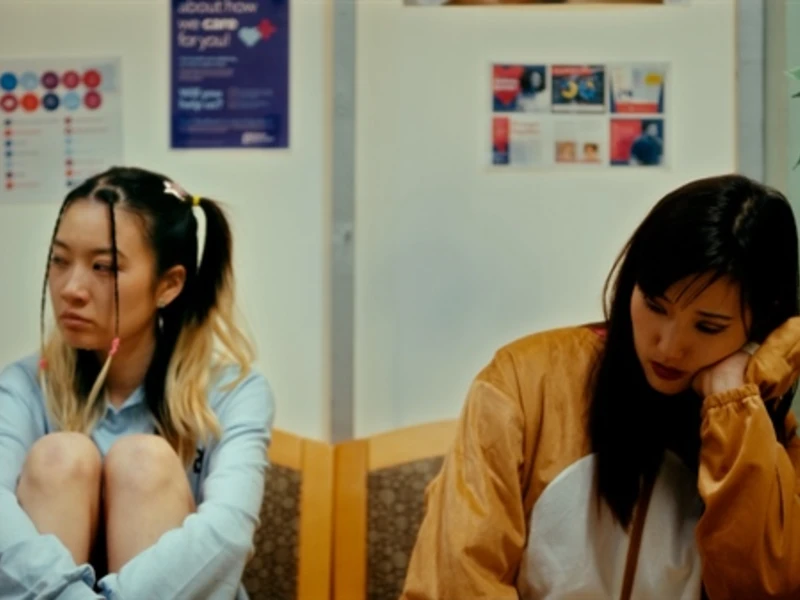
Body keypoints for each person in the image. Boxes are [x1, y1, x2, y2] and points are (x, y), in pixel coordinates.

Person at [401, 174, 800, 599]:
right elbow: (456, 581)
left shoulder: (759, 430)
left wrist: (733, 404)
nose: (668, 346)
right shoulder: (524, 383)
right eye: (653, 305)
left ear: (757, 325)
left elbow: (761, 589)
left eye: (707, 326)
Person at [0, 166, 275, 599]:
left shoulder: (233, 392)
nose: (72, 287)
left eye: (103, 267)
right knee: (59, 457)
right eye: (59, 260)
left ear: (168, 285)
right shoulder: (25, 385)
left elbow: (228, 532)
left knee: (143, 462)